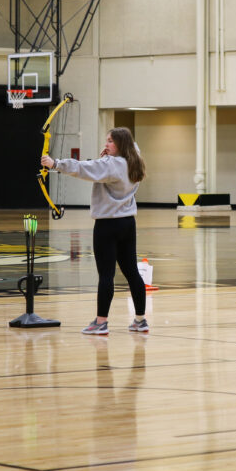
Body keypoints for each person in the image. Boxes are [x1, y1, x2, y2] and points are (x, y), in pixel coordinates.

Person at [41, 126, 147, 335]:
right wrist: (109, 154)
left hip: (108, 225)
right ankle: (140, 320)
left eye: (110, 141)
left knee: (106, 275)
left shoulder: (112, 165)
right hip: (128, 224)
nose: (106, 144)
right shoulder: (134, 160)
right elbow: (133, 147)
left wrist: (55, 164)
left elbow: (83, 168)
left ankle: (101, 322)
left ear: (120, 145)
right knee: (132, 273)